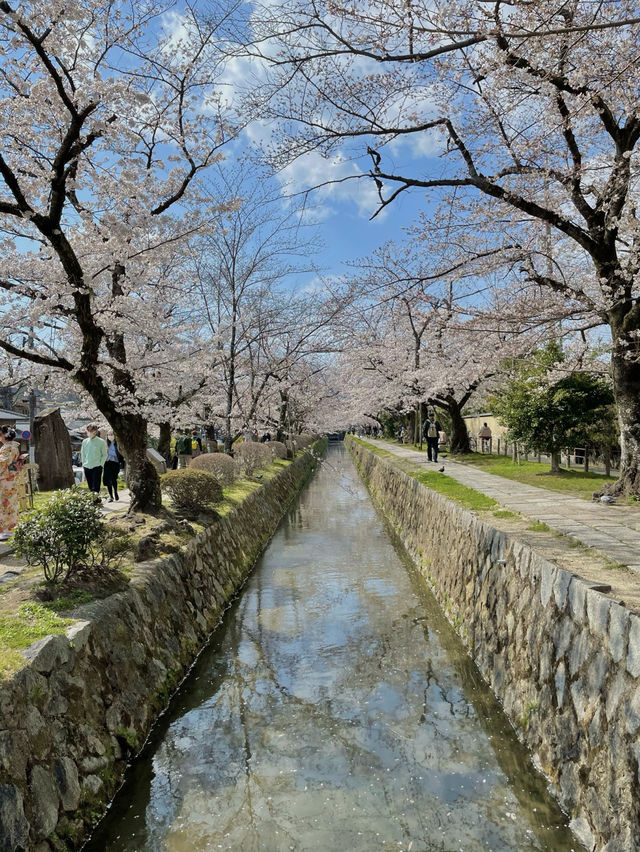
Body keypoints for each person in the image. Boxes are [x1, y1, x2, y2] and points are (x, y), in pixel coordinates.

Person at [0, 426, 21, 540]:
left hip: (5, 481)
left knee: (5, 504)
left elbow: (3, 463)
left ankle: (7, 531)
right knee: (10, 504)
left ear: (4, 435)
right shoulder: (13, 446)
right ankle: (11, 529)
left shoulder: (7, 448)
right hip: (10, 479)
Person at [81, 424, 107, 495]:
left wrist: (101, 464)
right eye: (88, 430)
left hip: (97, 466)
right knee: (90, 484)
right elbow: (83, 453)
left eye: (91, 430)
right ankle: (93, 498)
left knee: (96, 484)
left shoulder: (101, 442)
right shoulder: (84, 441)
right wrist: (83, 463)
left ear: (95, 431)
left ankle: (96, 498)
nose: (89, 432)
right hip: (87, 466)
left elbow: (104, 455)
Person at [103, 434, 124, 502]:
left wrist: (109, 452)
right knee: (108, 480)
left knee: (113, 479)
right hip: (107, 463)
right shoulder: (105, 444)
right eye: (109, 434)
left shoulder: (118, 444)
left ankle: (115, 492)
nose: (110, 436)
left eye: (111, 434)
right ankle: (111, 496)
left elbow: (119, 454)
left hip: (115, 463)